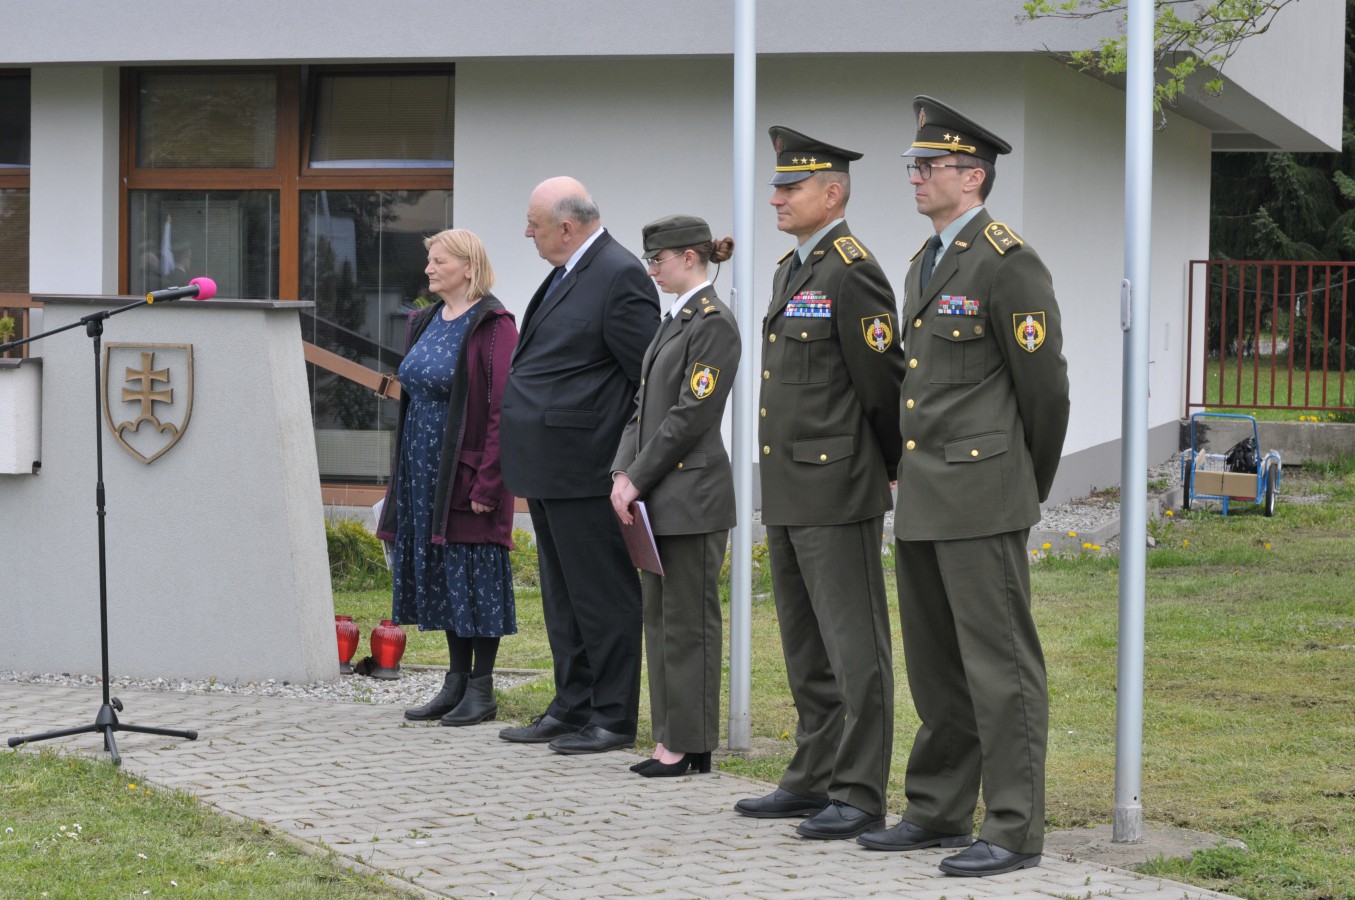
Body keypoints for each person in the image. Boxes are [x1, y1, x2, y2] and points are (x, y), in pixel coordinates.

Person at [855, 96, 1070, 877]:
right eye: (913, 165)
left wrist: (1019, 484)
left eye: (929, 165)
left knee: (999, 665)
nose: (914, 177)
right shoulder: (926, 260)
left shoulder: (1005, 261)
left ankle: (1012, 827)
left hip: (981, 493)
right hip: (925, 491)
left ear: (971, 176)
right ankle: (937, 808)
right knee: (937, 666)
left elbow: (1044, 392)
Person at [733, 127, 907, 839]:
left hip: (836, 487)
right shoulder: (792, 269)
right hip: (789, 484)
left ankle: (859, 791)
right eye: (776, 187)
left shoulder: (851, 271)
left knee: (852, 647)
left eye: (791, 187)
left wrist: (886, 467)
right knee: (805, 646)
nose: (776, 198)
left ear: (832, 194)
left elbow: (882, 383)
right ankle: (812, 776)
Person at [498, 176, 661, 755]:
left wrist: (629, 465)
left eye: (534, 224)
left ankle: (612, 716)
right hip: (552, 466)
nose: (527, 233)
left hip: (590, 466)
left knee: (601, 594)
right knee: (563, 596)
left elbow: (648, 377)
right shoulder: (569, 271)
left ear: (566, 227)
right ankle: (572, 705)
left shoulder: (618, 274)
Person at [609, 214, 740, 778]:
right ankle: (672, 736)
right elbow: (643, 408)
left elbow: (691, 415)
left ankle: (689, 742)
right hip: (659, 494)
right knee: (660, 620)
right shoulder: (675, 321)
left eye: (657, 260)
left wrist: (637, 477)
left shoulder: (713, 323)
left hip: (692, 496)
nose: (651, 270)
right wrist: (622, 472)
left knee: (689, 624)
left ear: (690, 257)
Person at [375, 228, 519, 728]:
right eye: (430, 261)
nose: (429, 269)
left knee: (475, 573)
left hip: (466, 469)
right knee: (446, 573)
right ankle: (454, 684)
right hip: (422, 470)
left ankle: (482, 689)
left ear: (468, 267)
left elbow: (502, 408)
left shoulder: (494, 325)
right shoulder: (426, 320)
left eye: (439, 261)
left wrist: (489, 481)